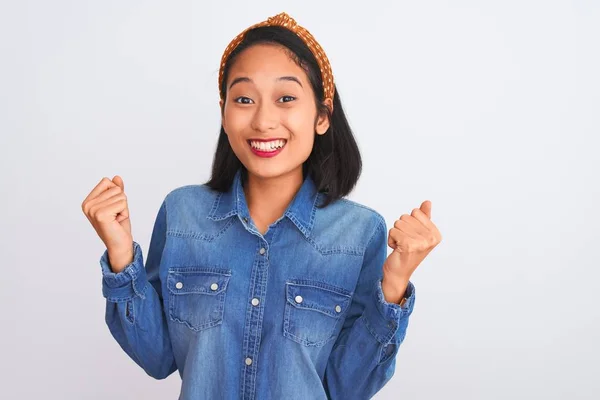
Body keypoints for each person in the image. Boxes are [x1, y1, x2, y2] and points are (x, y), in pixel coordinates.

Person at [81, 11, 442, 400]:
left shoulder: (359, 233)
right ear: (224, 110)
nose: (263, 120)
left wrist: (394, 284)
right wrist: (120, 255)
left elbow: (347, 387)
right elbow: (156, 357)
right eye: (244, 99)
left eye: (286, 98)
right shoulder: (183, 213)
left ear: (322, 115)